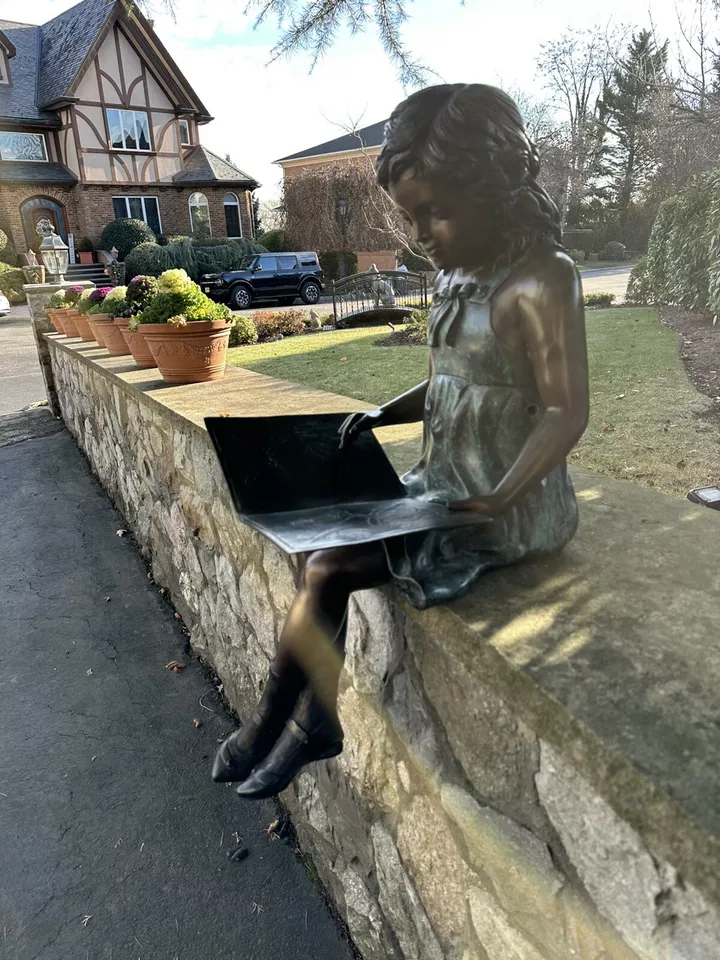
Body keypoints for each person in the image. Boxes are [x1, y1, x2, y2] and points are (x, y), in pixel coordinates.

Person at [212, 83, 589, 799]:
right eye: (413, 215)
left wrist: (500, 496)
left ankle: (279, 724)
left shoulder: (544, 279)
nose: (422, 232)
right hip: (440, 487)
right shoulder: (452, 276)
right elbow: (450, 382)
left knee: (326, 569)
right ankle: (304, 722)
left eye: (437, 211)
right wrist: (383, 415)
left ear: (496, 188)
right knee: (316, 548)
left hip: (503, 506)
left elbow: (565, 412)